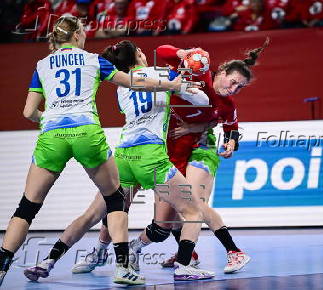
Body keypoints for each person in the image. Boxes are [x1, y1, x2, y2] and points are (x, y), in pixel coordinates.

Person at [0, 16, 192, 287]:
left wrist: (48, 118)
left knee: (27, 207)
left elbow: (28, 112)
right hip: (89, 134)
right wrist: (172, 85)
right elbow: (134, 82)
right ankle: (123, 267)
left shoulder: (42, 65)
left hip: (53, 136)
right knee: (115, 200)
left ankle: (4, 264)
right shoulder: (93, 59)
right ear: (77, 35)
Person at [22, 39, 231, 282]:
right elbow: (202, 100)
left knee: (92, 214)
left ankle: (48, 261)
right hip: (151, 159)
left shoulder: (121, 86)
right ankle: (184, 266)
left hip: (123, 157)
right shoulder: (162, 73)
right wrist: (185, 85)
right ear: (140, 53)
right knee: (192, 210)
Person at [66, 39, 269, 275]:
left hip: (200, 147)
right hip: (161, 150)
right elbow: (163, 52)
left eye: (240, 87)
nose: (234, 89)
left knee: (194, 202)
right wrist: (182, 54)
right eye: (233, 82)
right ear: (221, 72)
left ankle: (231, 252)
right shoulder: (189, 74)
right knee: (158, 222)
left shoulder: (226, 103)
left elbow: (231, 127)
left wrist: (228, 140)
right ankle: (110, 250)